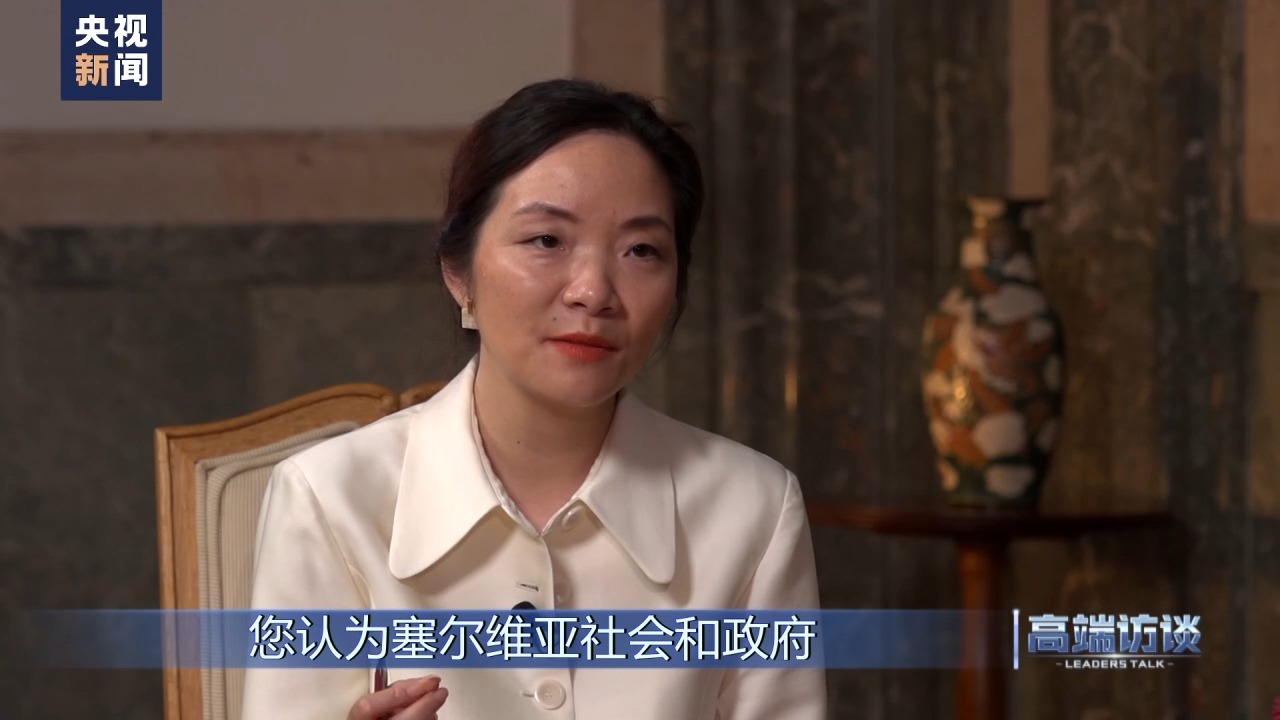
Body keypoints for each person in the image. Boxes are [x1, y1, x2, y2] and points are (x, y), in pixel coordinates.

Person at [241, 78, 826, 720]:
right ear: (458, 270)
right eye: (546, 240)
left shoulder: (753, 507)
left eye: (641, 250)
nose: (593, 291)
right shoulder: (330, 497)